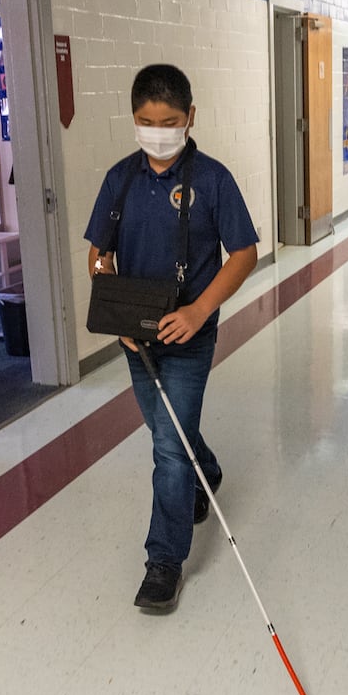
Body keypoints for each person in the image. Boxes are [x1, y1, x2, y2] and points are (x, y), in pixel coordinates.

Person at [84, 64, 259, 612]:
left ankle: (164, 561)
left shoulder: (212, 180)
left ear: (190, 119)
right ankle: (205, 470)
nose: (156, 130)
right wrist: (114, 306)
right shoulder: (120, 179)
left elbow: (245, 252)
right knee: (169, 431)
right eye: (144, 120)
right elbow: (98, 255)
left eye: (168, 121)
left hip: (190, 334)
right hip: (138, 339)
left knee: (165, 446)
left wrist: (200, 310)